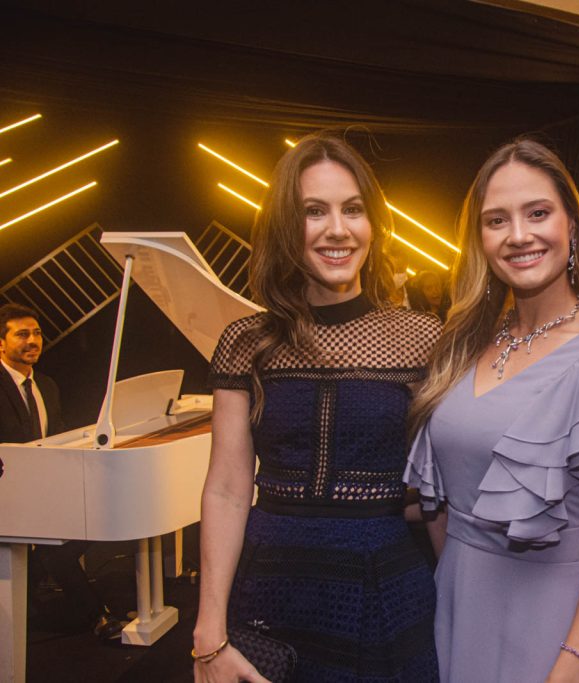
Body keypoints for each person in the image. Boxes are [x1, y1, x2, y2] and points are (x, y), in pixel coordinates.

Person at [405, 139, 579, 682]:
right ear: (480, 239)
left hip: (556, 633)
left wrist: (571, 670)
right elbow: (440, 503)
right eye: (497, 220)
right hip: (456, 612)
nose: (519, 235)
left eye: (538, 213)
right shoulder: (462, 347)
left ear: (572, 225)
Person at [193, 131, 441, 682]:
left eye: (353, 210)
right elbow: (228, 489)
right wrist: (208, 630)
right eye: (313, 211)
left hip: (388, 590)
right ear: (286, 226)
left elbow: (440, 488)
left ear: (373, 224)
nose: (338, 229)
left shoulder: (423, 339)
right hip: (270, 591)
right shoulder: (246, 341)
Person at [0, 302, 124, 640]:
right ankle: (97, 617)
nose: (33, 340)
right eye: (22, 334)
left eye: (37, 333)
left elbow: (57, 439)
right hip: (8, 496)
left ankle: (36, 581)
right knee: (57, 550)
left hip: (46, 490)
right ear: (1, 343)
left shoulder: (48, 386)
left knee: (99, 519)